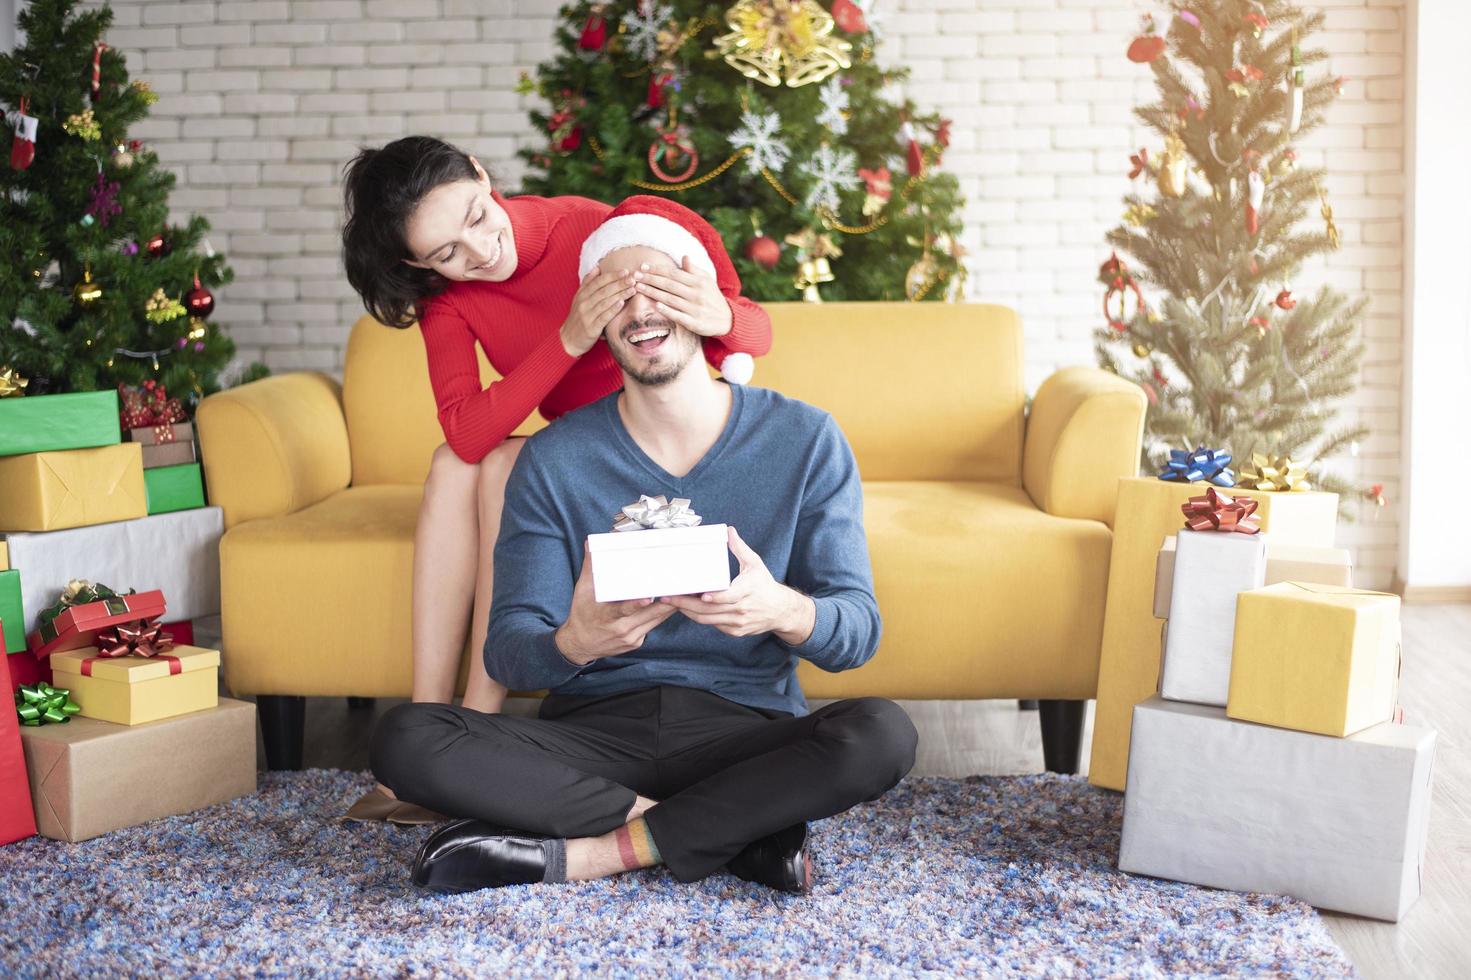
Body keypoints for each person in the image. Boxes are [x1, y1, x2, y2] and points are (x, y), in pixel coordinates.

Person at [370, 198, 917, 893]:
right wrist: (574, 641)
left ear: (700, 299)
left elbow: (857, 633)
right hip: (593, 737)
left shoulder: (805, 439)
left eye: (657, 287)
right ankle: (732, 837)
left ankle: (596, 854)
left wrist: (781, 610)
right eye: (614, 296)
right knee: (406, 739)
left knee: (882, 733)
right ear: (595, 323)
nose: (640, 311)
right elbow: (509, 649)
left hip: (740, 730)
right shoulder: (553, 459)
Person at [340, 138, 771, 823]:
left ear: (484, 175)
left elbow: (751, 330)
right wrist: (569, 337)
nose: (477, 251)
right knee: (461, 462)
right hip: (574, 453)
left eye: (478, 216)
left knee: (505, 462)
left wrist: (718, 314)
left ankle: (476, 724)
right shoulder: (448, 301)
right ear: (415, 264)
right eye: (445, 252)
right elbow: (464, 432)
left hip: (647, 446)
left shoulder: (593, 231)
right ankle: (427, 720)